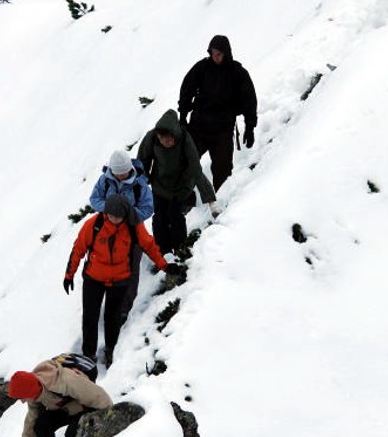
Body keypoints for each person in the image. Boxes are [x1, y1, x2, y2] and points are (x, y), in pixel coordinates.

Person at [63, 194, 177, 367]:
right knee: (90, 318)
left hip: (120, 280)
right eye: (110, 215)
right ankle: (88, 356)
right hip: (94, 279)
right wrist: (68, 275)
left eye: (118, 216)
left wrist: (164, 265)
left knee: (112, 318)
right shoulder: (94, 225)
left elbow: (149, 246)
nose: (114, 219)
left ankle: (111, 350)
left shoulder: (133, 226)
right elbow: (78, 249)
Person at [178, 35, 258, 190]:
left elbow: (249, 100)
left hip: (222, 130)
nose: (215, 57)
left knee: (223, 173)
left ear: (226, 53)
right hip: (198, 127)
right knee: (185, 163)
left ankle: (221, 208)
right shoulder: (202, 68)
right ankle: (185, 202)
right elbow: (187, 89)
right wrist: (182, 116)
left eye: (219, 54)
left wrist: (250, 127)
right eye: (213, 53)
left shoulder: (237, 72)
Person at [138, 109, 219, 256]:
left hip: (181, 184)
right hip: (160, 183)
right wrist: (144, 178)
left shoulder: (185, 140)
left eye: (169, 139)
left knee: (175, 216)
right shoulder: (151, 138)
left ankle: (180, 249)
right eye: (162, 139)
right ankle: (163, 251)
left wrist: (210, 200)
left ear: (174, 135)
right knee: (160, 217)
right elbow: (142, 161)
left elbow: (196, 169)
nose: (166, 142)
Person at [8, 356, 112, 437]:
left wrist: (111, 416)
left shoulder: (65, 380)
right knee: (40, 426)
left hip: (88, 406)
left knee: (72, 434)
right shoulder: (34, 393)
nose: (23, 401)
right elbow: (30, 424)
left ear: (30, 390)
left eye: (22, 397)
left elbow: (98, 395)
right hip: (68, 408)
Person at [89, 149, 155, 320]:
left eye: (123, 173)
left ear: (129, 169)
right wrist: (110, 211)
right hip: (107, 232)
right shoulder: (105, 181)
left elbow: (148, 208)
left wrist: (128, 216)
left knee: (130, 270)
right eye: (116, 173)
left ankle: (123, 308)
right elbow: (94, 199)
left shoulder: (140, 185)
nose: (119, 176)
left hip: (133, 233)